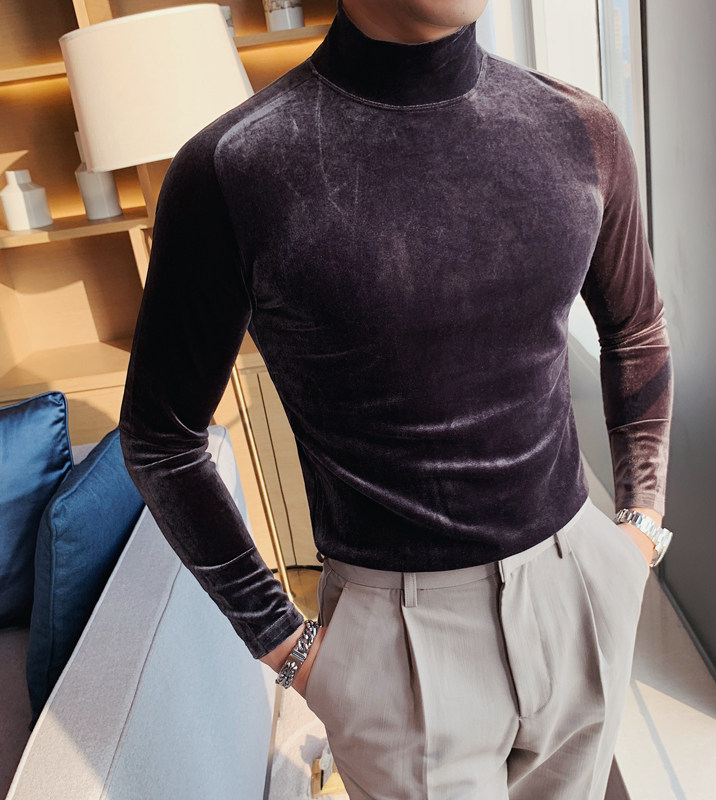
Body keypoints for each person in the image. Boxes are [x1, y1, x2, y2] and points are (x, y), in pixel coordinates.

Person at [119, 0, 674, 797]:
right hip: (394, 642)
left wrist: (640, 528)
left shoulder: (581, 130)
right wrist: (287, 644)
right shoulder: (234, 171)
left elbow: (637, 330)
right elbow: (160, 438)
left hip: (578, 583)